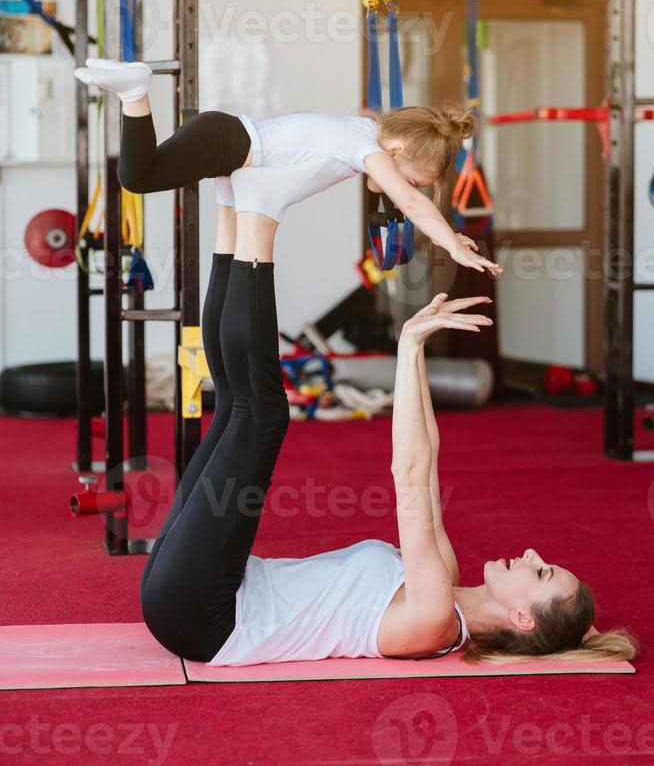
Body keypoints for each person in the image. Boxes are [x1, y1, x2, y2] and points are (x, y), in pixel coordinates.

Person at [138, 207, 635, 666]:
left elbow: (411, 474)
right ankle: (234, 213)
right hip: (201, 588)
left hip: (204, 612)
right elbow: (429, 457)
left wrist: (409, 345)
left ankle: (259, 220)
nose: (533, 556)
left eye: (542, 573)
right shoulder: (445, 578)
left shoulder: (435, 617)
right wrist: (412, 352)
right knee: (235, 403)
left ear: (522, 619)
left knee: (262, 412)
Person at [74, 57, 502, 275]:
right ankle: (134, 92)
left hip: (222, 134)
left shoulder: (361, 132)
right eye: (410, 178)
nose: (401, 187)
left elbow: (390, 192)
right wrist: (451, 244)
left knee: (140, 175)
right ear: (394, 154)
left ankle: (131, 91)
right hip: (225, 143)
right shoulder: (367, 148)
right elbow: (408, 202)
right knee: (138, 177)